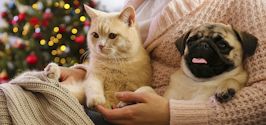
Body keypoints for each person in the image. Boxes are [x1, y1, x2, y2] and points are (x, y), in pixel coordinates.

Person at [60, 0, 266, 124]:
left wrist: (173, 115)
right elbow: (123, 54)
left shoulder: (243, 4)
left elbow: (263, 98)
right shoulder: (138, 4)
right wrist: (83, 72)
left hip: (155, 118)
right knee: (34, 90)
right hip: (110, 103)